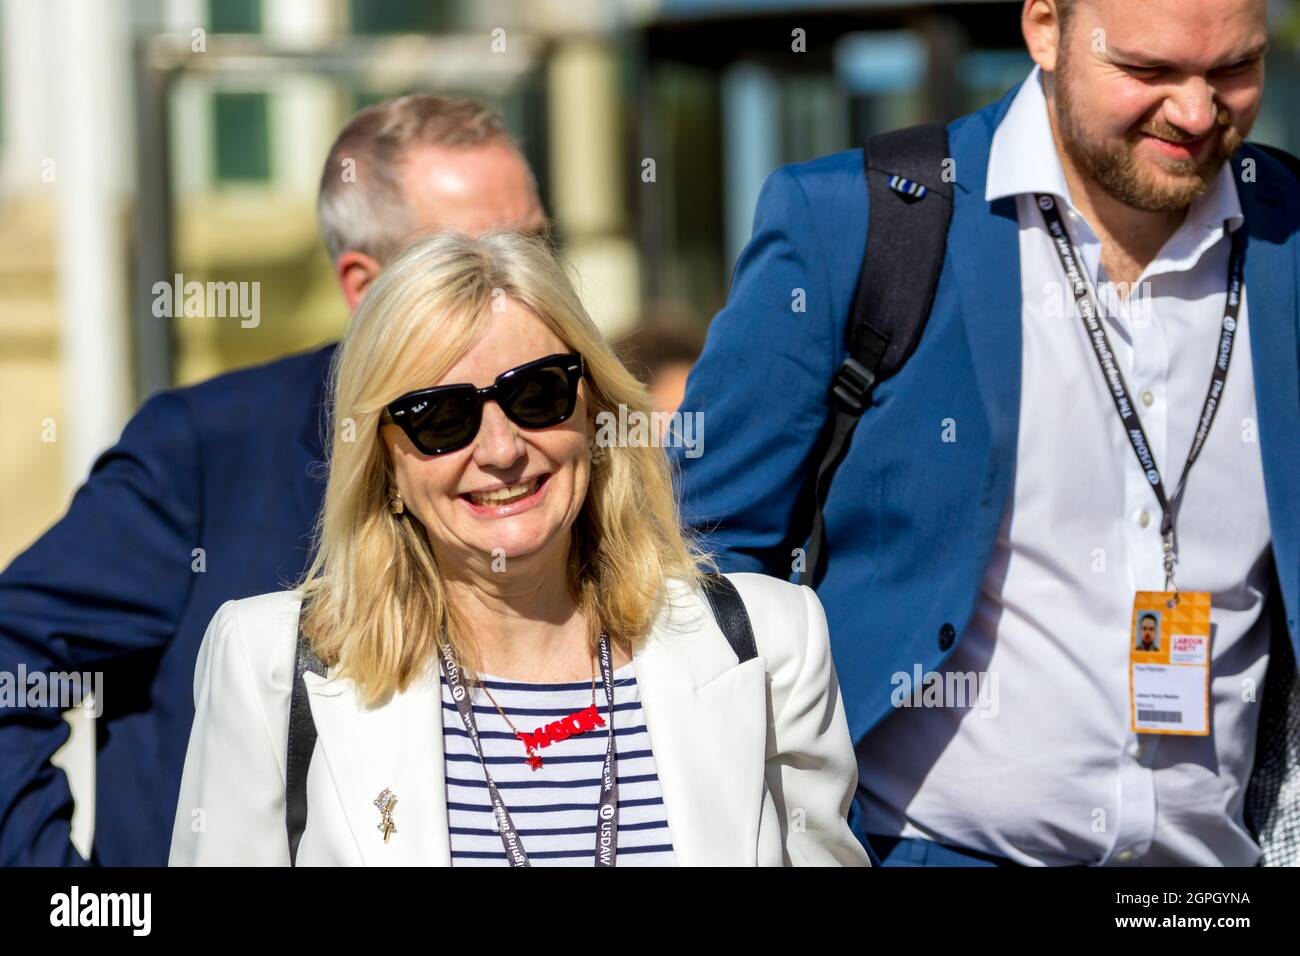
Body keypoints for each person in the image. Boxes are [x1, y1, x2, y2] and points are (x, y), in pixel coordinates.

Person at [674, 0, 1298, 866]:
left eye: (1234, 69)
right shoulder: (854, 225)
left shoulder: (1287, 242)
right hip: (914, 850)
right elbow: (699, 557)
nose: (1195, 113)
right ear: (1044, 27)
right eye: (1149, 72)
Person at [168, 232, 868, 867]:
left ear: (595, 412)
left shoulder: (766, 645)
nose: (501, 450)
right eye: (441, 417)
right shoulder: (269, 665)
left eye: (536, 394)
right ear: (384, 464)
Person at [0, 94, 547, 866]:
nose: (515, 283)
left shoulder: (560, 438)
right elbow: (10, 657)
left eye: (537, 249)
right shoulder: (209, 450)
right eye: (468, 258)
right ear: (363, 285)